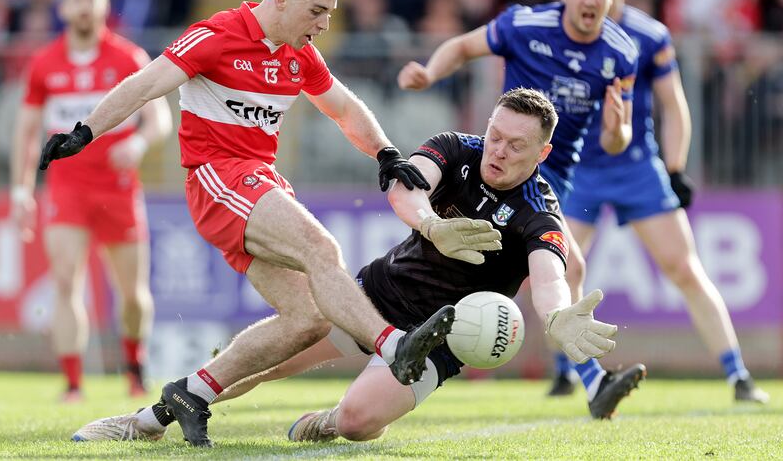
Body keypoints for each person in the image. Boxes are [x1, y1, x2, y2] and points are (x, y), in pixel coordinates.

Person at [40, 0, 469, 447]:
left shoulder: (298, 51)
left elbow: (344, 108)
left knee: (308, 320)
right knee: (322, 250)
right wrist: (86, 131)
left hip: (257, 184)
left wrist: (386, 152)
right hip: (217, 180)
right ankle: (396, 346)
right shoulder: (216, 35)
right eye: (316, 11)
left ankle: (171, 405)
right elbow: (144, 85)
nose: (325, 24)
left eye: (329, 13)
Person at [71, 88, 626, 444]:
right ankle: (145, 422)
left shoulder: (538, 212)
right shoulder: (457, 148)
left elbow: (550, 276)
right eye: (496, 135)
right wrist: (432, 225)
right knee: (263, 364)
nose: (497, 151)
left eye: (515, 146)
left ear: (542, 154)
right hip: (373, 300)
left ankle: (328, 421)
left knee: (358, 425)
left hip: (438, 344)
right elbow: (408, 191)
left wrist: (556, 318)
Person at [397, 0, 646, 415]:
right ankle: (589, 382)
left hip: (553, 176)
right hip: (505, 164)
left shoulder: (622, 52)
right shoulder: (524, 26)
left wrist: (617, 131)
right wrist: (430, 72)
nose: (591, 0)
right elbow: (463, 46)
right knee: (568, 267)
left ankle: (571, 373)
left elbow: (619, 139)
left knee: (559, 270)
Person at [560, 0, 768, 403]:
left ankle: (738, 375)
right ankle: (569, 369)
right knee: (562, 270)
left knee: (685, 268)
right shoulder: (555, 31)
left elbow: (675, 107)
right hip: (577, 168)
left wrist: (673, 169)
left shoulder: (649, 35)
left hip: (636, 168)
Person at [10, 0, 172, 401]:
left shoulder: (128, 58)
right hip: (67, 189)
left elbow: (159, 119)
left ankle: (135, 371)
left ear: (104, 6)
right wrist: (21, 190)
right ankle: (73, 383)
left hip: (118, 188)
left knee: (132, 294)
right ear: (63, 8)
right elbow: (26, 133)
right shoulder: (45, 63)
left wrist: (138, 143)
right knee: (66, 283)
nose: (84, 7)